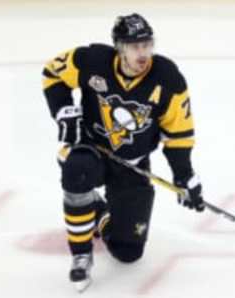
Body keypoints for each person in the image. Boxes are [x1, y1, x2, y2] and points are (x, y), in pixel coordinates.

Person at [41, 13, 205, 292]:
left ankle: (97, 211)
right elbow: (53, 73)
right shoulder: (92, 61)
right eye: (134, 46)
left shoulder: (168, 78)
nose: (143, 53)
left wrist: (184, 176)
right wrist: (65, 113)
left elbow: (178, 132)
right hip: (92, 149)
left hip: (133, 163)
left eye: (147, 45)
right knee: (77, 169)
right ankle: (81, 254)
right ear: (119, 47)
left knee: (128, 252)